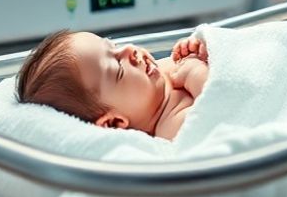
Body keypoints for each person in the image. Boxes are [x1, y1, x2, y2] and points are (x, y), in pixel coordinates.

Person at [16, 30, 209, 140]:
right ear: (114, 123)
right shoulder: (172, 126)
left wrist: (196, 49)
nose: (130, 50)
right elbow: (225, 104)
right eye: (118, 68)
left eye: (115, 46)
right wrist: (195, 74)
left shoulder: (159, 75)